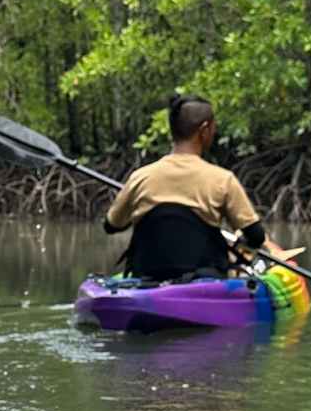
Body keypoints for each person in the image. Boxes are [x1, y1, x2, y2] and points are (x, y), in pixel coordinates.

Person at [102, 94, 274, 281]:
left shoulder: (140, 177)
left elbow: (111, 225)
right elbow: (256, 236)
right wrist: (240, 239)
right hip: (205, 282)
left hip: (146, 278)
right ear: (204, 130)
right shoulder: (222, 180)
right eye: (213, 126)